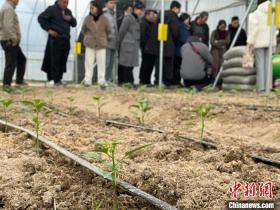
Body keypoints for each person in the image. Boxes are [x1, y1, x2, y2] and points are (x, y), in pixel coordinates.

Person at [38, 0, 77, 86]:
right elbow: (41, 18)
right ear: (58, 1)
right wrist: (49, 29)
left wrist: (71, 19)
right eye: (64, 2)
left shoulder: (68, 11)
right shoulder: (52, 9)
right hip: (55, 39)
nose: (65, 4)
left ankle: (59, 78)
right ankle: (53, 79)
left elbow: (74, 24)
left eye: (67, 2)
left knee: (63, 60)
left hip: (66, 39)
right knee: (54, 59)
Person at [146, 1, 181, 86]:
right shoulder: (173, 16)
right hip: (169, 45)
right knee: (168, 64)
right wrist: (176, 41)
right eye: (179, 9)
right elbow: (176, 32)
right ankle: (166, 81)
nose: (179, 11)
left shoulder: (161, 15)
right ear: (175, 8)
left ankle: (157, 80)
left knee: (159, 63)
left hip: (159, 44)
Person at [247, 0, 277, 91]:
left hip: (259, 42)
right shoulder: (273, 12)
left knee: (260, 65)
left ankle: (261, 87)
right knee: (269, 64)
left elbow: (253, 29)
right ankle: (269, 86)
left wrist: (250, 41)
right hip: (270, 42)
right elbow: (277, 26)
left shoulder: (255, 14)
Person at [81, 1, 111, 87]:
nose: (91, 9)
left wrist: (103, 37)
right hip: (90, 43)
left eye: (92, 7)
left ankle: (101, 80)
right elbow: (83, 30)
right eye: (90, 8)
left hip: (101, 44)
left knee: (101, 62)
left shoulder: (104, 19)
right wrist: (88, 36)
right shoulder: (87, 18)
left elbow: (109, 30)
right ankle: (87, 80)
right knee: (88, 62)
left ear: (98, 8)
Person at [0, 0, 26, 92]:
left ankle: (19, 81)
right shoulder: (8, 8)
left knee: (21, 59)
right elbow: (8, 26)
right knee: (11, 63)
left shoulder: (8, 7)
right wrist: (14, 38)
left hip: (9, 39)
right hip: (9, 40)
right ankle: (7, 86)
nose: (18, 1)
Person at [118, 2, 144, 85]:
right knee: (126, 64)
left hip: (134, 45)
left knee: (130, 64)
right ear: (135, 9)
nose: (141, 12)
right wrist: (119, 42)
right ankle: (127, 81)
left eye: (142, 10)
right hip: (127, 44)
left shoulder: (138, 19)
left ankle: (125, 81)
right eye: (139, 9)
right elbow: (122, 31)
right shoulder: (128, 18)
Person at [139, 9, 157, 85]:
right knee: (146, 65)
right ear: (147, 15)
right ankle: (143, 81)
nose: (154, 17)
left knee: (150, 65)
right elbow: (142, 36)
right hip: (146, 48)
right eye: (152, 15)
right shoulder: (143, 23)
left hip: (151, 48)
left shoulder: (151, 23)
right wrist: (145, 46)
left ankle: (147, 80)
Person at [173, 13, 191, 86]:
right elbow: (184, 38)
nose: (189, 21)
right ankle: (177, 82)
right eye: (188, 19)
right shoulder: (182, 27)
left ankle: (176, 82)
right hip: (180, 50)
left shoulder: (180, 26)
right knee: (178, 67)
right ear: (185, 19)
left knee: (177, 67)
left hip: (178, 50)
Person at [104, 0, 118, 84]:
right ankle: (103, 80)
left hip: (113, 43)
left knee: (111, 63)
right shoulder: (104, 14)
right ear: (106, 4)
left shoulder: (112, 14)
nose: (113, 5)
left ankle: (107, 79)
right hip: (106, 43)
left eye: (114, 3)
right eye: (111, 3)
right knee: (106, 62)